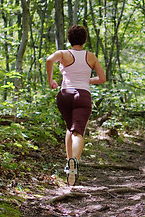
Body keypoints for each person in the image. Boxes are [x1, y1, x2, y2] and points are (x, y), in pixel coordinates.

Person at [46, 25, 106, 186]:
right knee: (77, 132)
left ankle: (68, 163)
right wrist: (87, 80)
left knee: (69, 128)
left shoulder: (63, 54)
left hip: (65, 94)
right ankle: (74, 162)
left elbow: (49, 60)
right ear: (84, 40)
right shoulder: (91, 56)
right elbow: (102, 78)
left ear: (69, 39)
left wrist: (51, 80)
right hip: (83, 95)